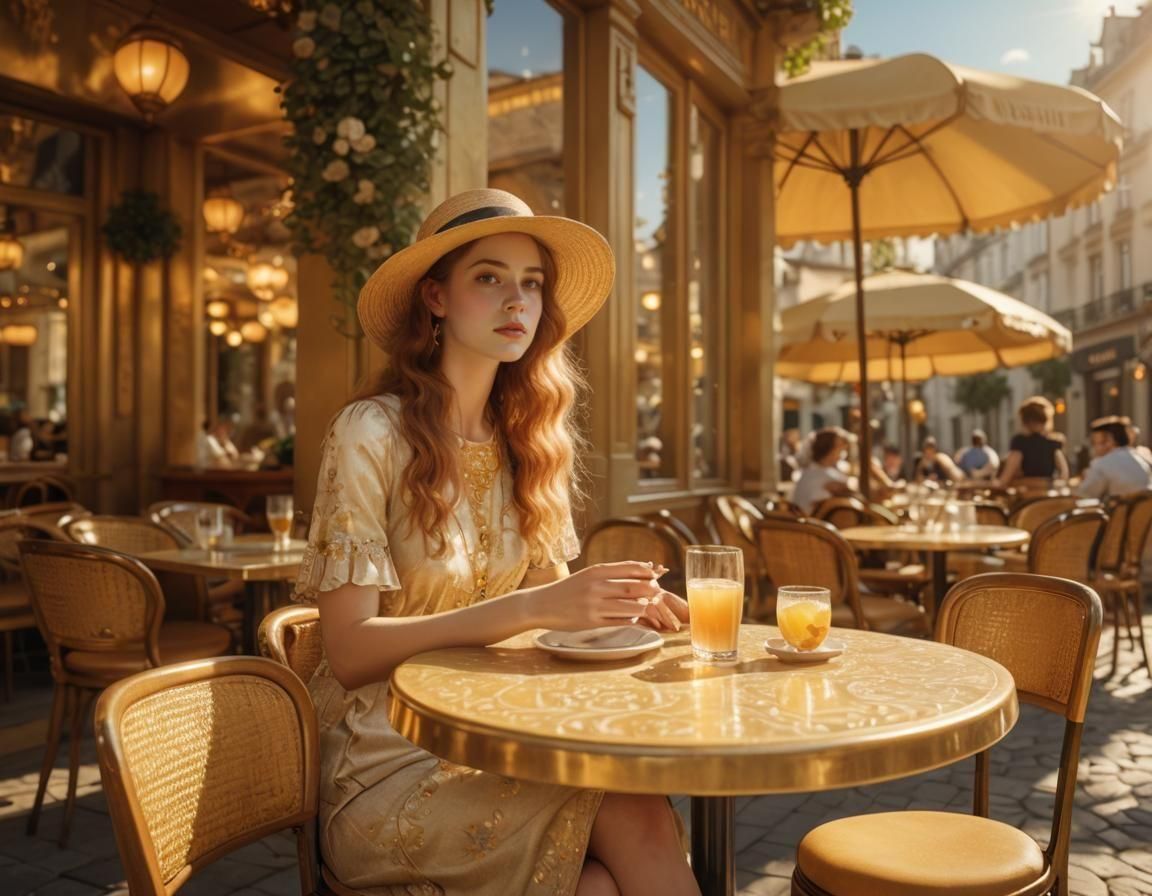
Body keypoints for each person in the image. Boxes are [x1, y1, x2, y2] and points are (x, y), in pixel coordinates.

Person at [296, 189, 697, 896]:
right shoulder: (369, 432)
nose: (518, 300)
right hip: (389, 764)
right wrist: (539, 606)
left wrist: (624, 606)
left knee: (605, 877)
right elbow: (350, 652)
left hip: (506, 740)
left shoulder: (531, 442)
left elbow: (556, 612)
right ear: (437, 298)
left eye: (532, 284)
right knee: (636, 816)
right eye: (489, 277)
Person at [994, 396, 1069, 488]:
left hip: (1027, 493)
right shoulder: (1054, 442)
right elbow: (1064, 474)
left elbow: (1007, 476)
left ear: (1025, 420)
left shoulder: (1020, 442)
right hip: (1048, 493)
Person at [1075, 416, 1152, 500]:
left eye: (1095, 442)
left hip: (1117, 512)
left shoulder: (1102, 464)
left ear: (1109, 441)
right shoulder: (1141, 459)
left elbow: (1083, 495)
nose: (1094, 448)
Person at [792, 427, 854, 513]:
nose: (843, 454)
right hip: (813, 524)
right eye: (840, 449)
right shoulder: (820, 474)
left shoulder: (811, 471)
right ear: (829, 450)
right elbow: (850, 487)